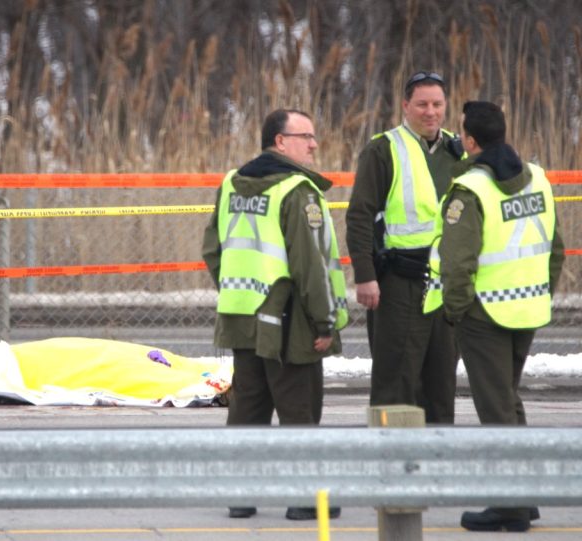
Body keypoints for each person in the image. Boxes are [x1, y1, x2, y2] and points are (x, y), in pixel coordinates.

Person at [424, 101, 565, 532]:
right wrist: (541, 291)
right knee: (509, 401)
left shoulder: (470, 189)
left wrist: (456, 311)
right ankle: (522, 498)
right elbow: (555, 249)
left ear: (469, 142)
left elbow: (458, 261)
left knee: (496, 408)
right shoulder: (536, 177)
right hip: (527, 307)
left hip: (484, 315)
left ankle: (508, 506)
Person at [202, 108, 348, 521]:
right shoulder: (297, 191)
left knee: (247, 406)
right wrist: (324, 322)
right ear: (280, 142)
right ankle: (303, 499)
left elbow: (213, 250)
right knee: (298, 406)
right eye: (306, 136)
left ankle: (241, 497)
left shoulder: (231, 183)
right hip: (290, 319)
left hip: (242, 313)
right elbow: (310, 266)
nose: (314, 144)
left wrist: (236, 288)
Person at [346, 71, 464, 424]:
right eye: (422, 104)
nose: (431, 112)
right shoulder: (383, 149)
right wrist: (365, 276)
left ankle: (436, 465)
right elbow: (360, 216)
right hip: (399, 283)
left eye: (438, 104)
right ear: (406, 106)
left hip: (445, 287)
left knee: (441, 382)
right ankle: (391, 463)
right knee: (396, 379)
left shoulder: (458, 152)